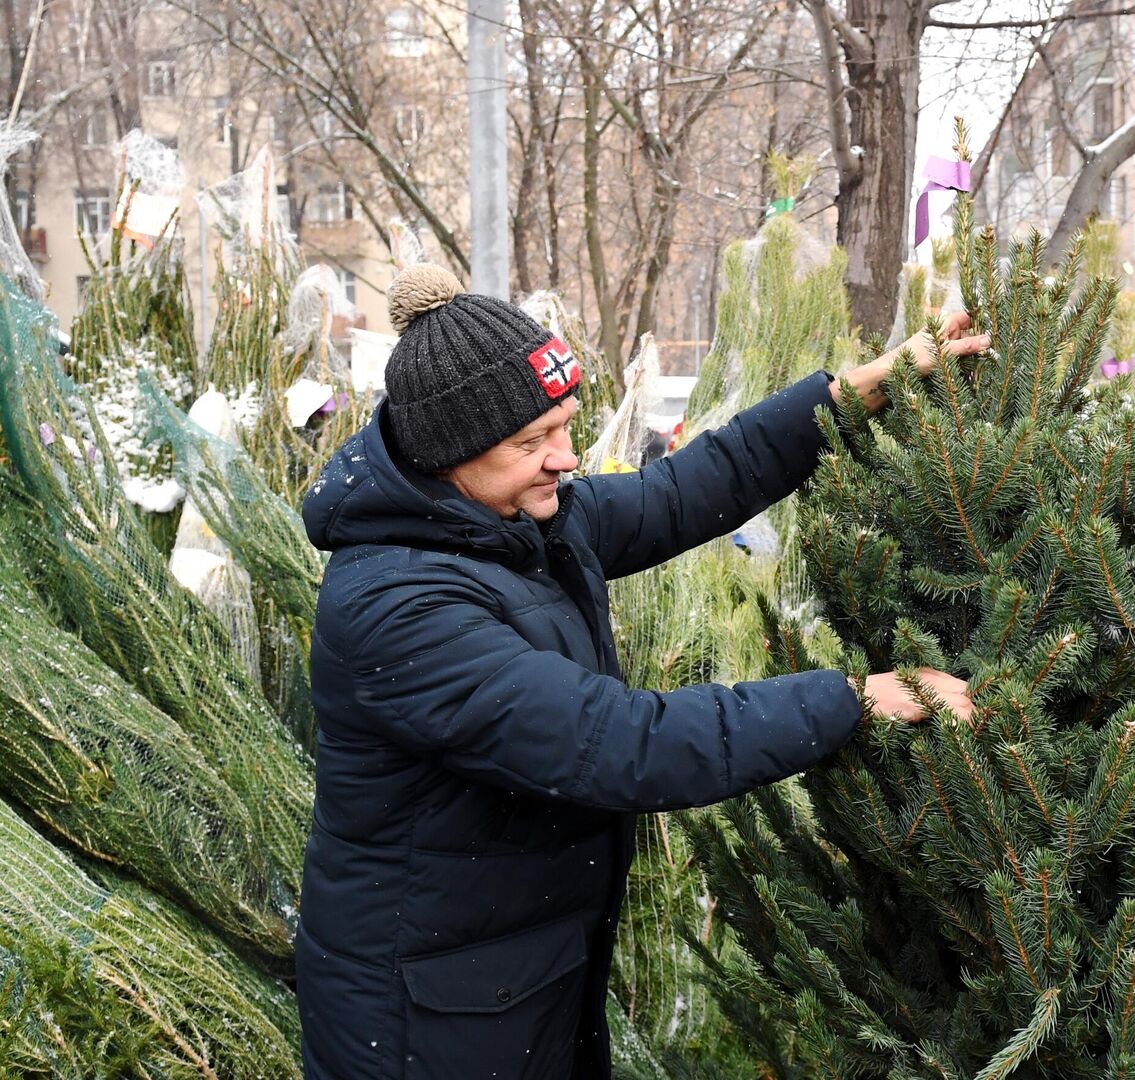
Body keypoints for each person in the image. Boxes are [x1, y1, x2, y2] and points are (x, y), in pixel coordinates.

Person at [296, 263, 986, 1079]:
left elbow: (687, 489)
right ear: (450, 455)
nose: (565, 456)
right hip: (424, 1018)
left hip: (505, 975)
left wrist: (855, 395)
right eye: (531, 442)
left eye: (563, 425)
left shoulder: (509, 517)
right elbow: (617, 742)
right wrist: (848, 699)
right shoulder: (399, 605)